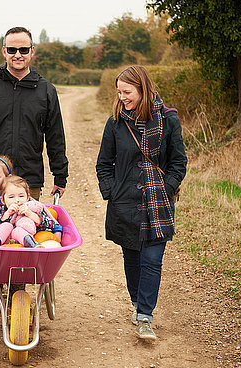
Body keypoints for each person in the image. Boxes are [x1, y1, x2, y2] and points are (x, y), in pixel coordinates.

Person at [95, 65, 187, 341]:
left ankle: (146, 315)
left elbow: (178, 162)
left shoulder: (168, 120)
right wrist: (112, 191)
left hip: (157, 202)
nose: (122, 97)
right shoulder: (115, 122)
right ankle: (137, 302)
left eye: (127, 92)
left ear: (142, 90)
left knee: (152, 260)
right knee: (132, 258)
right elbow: (103, 163)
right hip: (124, 201)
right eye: (119, 92)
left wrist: (167, 187)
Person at [0, 26, 68, 201]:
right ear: (4, 51)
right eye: (12, 49)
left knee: (25, 227)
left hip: (29, 181)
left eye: (23, 50)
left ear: (32, 51)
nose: (18, 54)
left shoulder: (46, 91)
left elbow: (55, 137)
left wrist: (60, 176)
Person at [0, 175, 61, 248]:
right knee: (6, 226)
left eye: (21, 196)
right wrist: (6, 215)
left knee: (18, 230)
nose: (17, 200)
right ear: (3, 200)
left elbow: (50, 225)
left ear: (27, 197)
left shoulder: (32, 208)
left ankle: (32, 245)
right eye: (11, 197)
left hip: (23, 246)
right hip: (3, 244)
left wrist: (31, 214)